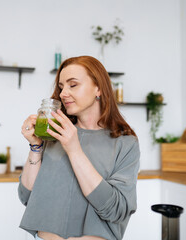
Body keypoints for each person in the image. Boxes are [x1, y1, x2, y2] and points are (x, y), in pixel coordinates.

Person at [18, 56, 140, 240]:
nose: (63, 93)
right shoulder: (53, 134)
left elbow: (116, 210)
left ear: (98, 88)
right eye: (61, 87)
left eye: (72, 85)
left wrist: (74, 149)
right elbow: (26, 196)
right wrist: (35, 146)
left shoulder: (125, 143)